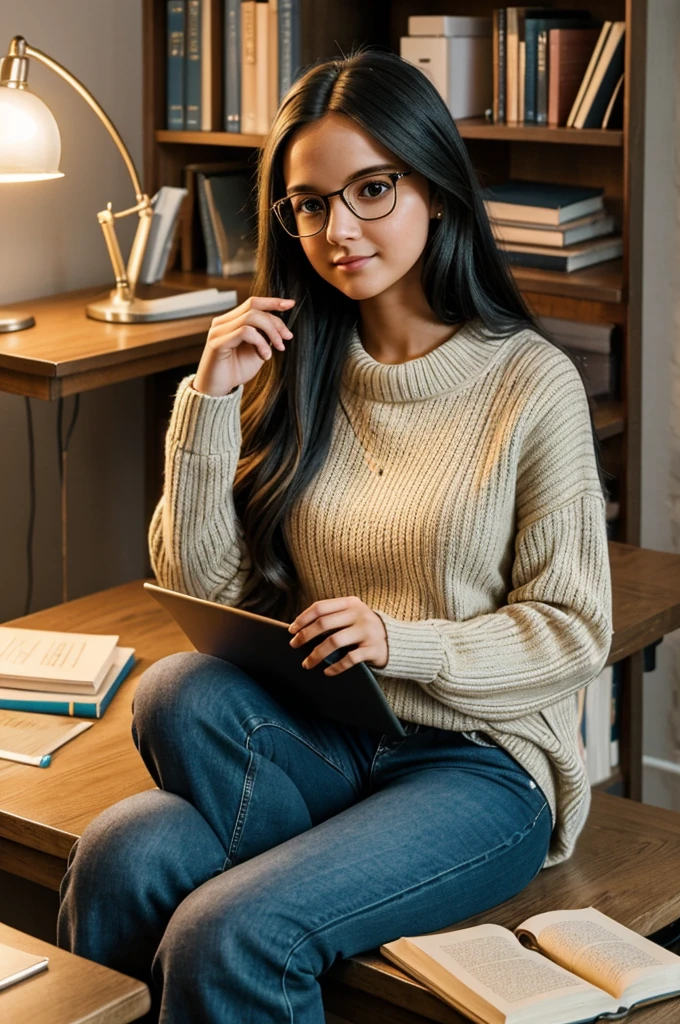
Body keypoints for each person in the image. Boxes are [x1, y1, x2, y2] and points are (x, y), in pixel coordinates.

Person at [57, 47, 613, 1023]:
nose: (337, 228)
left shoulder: (530, 386)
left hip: (478, 766)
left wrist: (405, 640)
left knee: (225, 931)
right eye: (309, 204)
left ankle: (294, 891)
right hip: (330, 738)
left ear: (433, 189)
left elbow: (571, 632)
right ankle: (324, 863)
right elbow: (205, 589)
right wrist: (210, 399)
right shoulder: (299, 363)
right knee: (145, 784)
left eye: (370, 190)